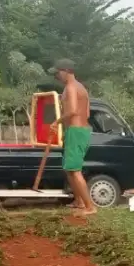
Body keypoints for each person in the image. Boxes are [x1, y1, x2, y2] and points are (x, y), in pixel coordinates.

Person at [50, 59, 96, 217]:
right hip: (81, 130)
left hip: (75, 131)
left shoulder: (70, 88)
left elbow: (73, 110)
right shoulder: (82, 88)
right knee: (70, 169)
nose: (57, 76)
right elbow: (87, 113)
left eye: (58, 73)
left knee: (75, 171)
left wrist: (57, 122)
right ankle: (79, 201)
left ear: (66, 71)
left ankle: (90, 207)